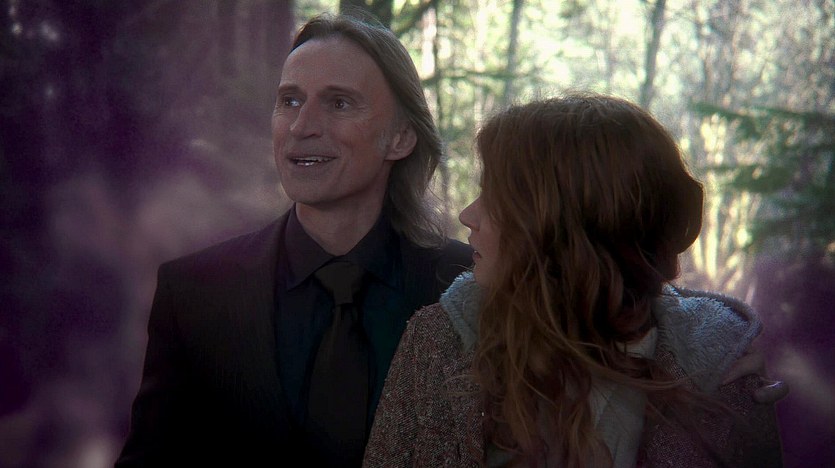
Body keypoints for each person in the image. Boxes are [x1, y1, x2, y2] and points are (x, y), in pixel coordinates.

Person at [116, 14, 472, 467]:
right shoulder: (194, 293)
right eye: (290, 100)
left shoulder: (467, 289)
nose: (302, 126)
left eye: (339, 103)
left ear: (400, 138)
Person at [363, 94, 784, 467]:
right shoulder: (438, 343)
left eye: (495, 197)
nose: (467, 215)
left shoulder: (723, 375)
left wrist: (719, 356)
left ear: (564, 229)